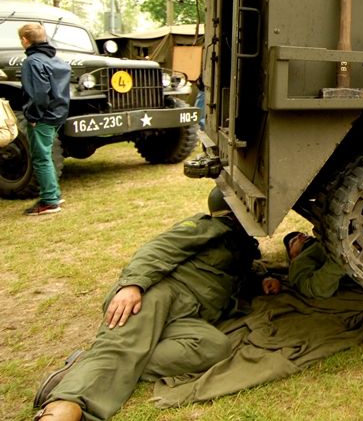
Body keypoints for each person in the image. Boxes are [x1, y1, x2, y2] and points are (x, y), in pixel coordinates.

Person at [33, 187, 273, 421]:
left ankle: (90, 364)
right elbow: (158, 249)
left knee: (215, 347)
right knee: (120, 348)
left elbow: (234, 276)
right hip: (158, 294)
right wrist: (133, 285)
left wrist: (263, 279)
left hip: (188, 316)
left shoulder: (241, 247)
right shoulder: (209, 227)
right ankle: (64, 405)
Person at [18, 22, 71, 216]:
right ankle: (54, 194)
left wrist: (32, 116)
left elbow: (38, 93)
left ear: (25, 40)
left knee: (41, 158)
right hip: (58, 114)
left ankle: (49, 200)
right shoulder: (56, 60)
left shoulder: (32, 62)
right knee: (46, 155)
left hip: (43, 117)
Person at [283, 231, 348, 299]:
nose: (301, 236)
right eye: (294, 240)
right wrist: (341, 261)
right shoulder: (297, 262)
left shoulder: (321, 240)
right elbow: (314, 288)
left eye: (303, 234)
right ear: (291, 255)